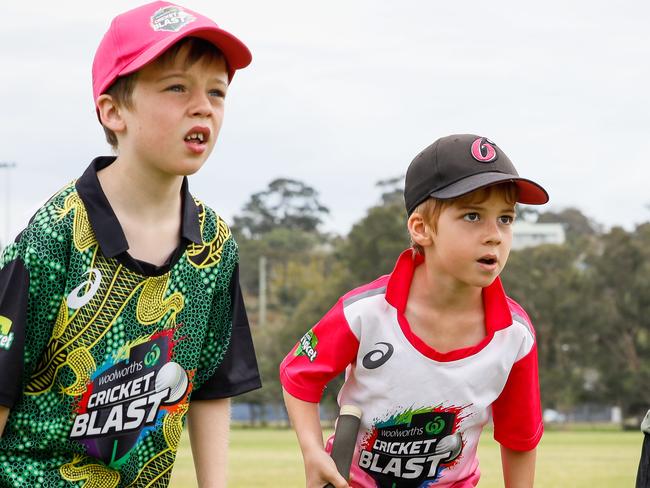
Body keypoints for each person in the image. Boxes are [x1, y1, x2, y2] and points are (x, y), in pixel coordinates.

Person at [0, 2, 261, 486]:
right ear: (113, 110)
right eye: (176, 87)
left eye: (217, 91)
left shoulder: (215, 246)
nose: (203, 105)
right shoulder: (53, 236)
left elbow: (212, 387)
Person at [280, 134, 548, 488]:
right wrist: (313, 452)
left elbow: (519, 437)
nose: (494, 235)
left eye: (505, 219)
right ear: (421, 229)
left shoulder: (515, 336)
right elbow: (299, 375)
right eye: (472, 216)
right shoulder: (366, 312)